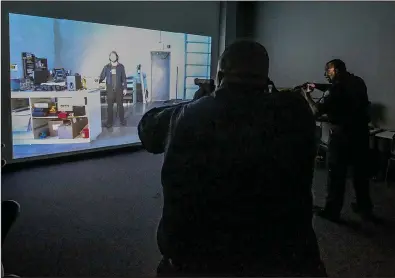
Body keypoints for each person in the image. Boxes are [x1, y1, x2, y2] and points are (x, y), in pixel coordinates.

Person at [138, 40, 327, 277]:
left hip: (199, 262)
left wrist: (199, 101)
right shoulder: (297, 116)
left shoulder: (186, 116)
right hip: (282, 260)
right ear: (265, 75)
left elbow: (147, 130)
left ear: (220, 73)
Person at [302, 59, 374, 222]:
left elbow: (316, 112)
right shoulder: (358, 81)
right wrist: (316, 85)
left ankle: (332, 211)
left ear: (334, 70)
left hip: (342, 137)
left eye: (327, 71)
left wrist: (307, 95)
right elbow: (337, 88)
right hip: (361, 134)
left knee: (336, 175)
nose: (326, 75)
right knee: (360, 174)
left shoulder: (334, 90)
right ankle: (365, 208)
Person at [99, 51, 128, 128]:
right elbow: (101, 77)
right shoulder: (106, 67)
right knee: (109, 107)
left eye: (114, 56)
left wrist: (125, 88)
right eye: (111, 56)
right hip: (110, 89)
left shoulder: (121, 66)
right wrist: (95, 83)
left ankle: (122, 120)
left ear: (116, 57)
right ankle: (109, 122)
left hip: (119, 89)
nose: (113, 57)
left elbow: (124, 78)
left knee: (120, 106)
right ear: (109, 57)